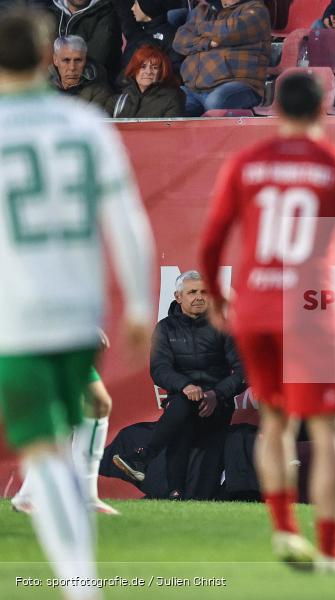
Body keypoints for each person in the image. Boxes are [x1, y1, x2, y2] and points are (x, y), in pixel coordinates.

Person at [199, 72, 335, 573]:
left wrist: (215, 294)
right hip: (308, 310)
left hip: (255, 309)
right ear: (324, 109)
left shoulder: (246, 163)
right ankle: (331, 551)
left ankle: (283, 529)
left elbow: (211, 241)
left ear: (276, 110)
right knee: (329, 431)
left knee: (274, 423)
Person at [0, 5, 155, 597]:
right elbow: (127, 220)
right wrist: (138, 303)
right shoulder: (86, 125)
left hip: (15, 310)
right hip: (71, 308)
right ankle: (79, 583)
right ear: (48, 58)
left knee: (47, 447)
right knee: (60, 443)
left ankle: (77, 578)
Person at [113, 271, 245, 499]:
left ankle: (144, 458)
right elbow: (159, 369)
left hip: (217, 405)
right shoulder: (165, 328)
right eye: (192, 292)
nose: (199, 297)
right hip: (181, 402)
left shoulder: (224, 327)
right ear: (178, 296)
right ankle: (174, 490)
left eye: (204, 292)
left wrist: (215, 394)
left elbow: (244, 372)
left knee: (180, 412)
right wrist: (185, 386)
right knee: (182, 408)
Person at [12, 331, 121, 516]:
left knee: (91, 405)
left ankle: (30, 496)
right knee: (87, 405)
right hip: (44, 336)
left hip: (66, 337)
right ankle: (81, 497)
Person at [173, 0, 270, 117]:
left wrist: (197, 28)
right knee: (170, 102)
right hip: (194, 89)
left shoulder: (257, 9)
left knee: (215, 102)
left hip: (240, 85)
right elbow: (179, 41)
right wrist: (207, 42)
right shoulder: (202, 9)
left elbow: (230, 30)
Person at [50, 0, 122, 84]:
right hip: (49, 85)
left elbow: (96, 61)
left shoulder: (107, 13)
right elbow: (41, 56)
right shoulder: (47, 10)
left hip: (93, 85)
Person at [109, 44, 185, 118]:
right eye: (143, 67)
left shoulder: (172, 99)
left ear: (162, 72)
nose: (148, 72)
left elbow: (170, 126)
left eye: (155, 67)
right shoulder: (117, 100)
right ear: (134, 69)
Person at [118, 0, 183, 76]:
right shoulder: (138, 33)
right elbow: (125, 66)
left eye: (136, 4)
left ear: (147, 7)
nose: (132, 8)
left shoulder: (170, 36)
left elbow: (175, 69)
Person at [49, 35, 112, 111]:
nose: (72, 67)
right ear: (55, 60)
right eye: (66, 60)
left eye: (78, 60)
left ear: (85, 60)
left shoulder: (99, 92)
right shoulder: (42, 87)